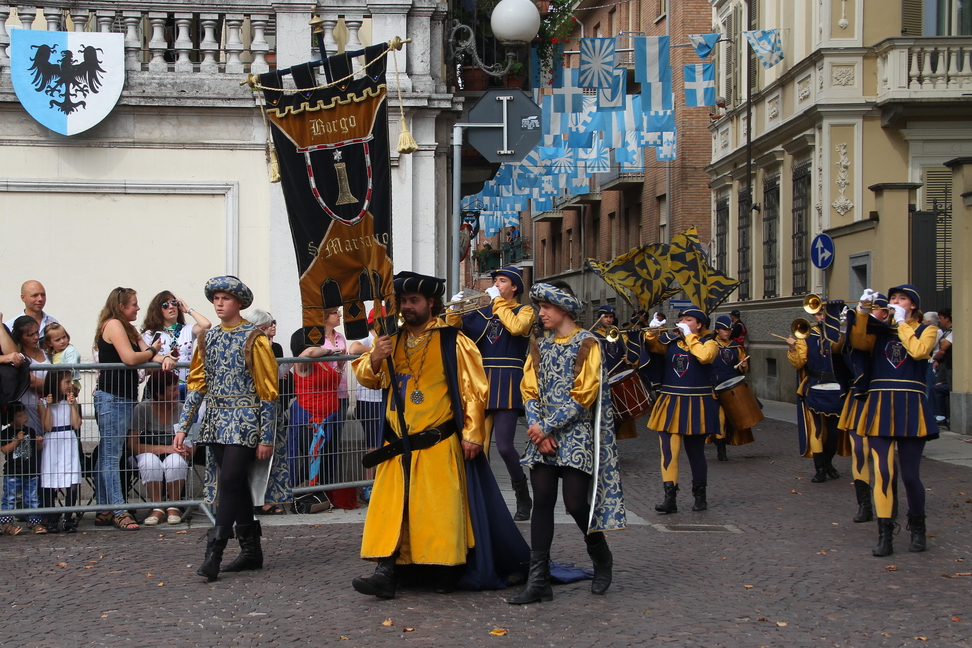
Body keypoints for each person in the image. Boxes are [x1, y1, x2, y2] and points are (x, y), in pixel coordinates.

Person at [349, 271, 491, 599]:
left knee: (437, 511)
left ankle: (444, 571)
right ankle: (386, 572)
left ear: (431, 302)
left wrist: (473, 433)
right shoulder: (391, 340)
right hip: (397, 444)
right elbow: (370, 380)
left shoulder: (453, 341)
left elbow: (474, 390)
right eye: (403, 301)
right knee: (394, 510)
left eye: (414, 300)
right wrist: (375, 357)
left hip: (437, 441)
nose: (407, 307)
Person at [507, 282, 626, 605]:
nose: (540, 313)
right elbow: (529, 388)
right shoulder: (539, 344)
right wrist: (535, 426)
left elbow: (584, 395)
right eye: (539, 307)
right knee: (542, 501)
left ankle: (601, 555)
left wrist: (545, 427)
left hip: (575, 434)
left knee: (575, 503)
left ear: (563, 309)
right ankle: (539, 580)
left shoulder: (588, 343)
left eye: (546, 307)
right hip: (541, 434)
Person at [173, 276, 289, 581]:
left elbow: (268, 390)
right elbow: (197, 384)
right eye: (216, 298)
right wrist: (183, 427)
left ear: (239, 303)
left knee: (229, 480)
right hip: (215, 419)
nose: (219, 303)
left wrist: (266, 436)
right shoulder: (207, 338)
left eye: (226, 298)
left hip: (246, 419)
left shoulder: (254, 339)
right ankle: (251, 552)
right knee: (234, 487)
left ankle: (215, 552)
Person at [848, 285, 938, 556]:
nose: (895, 302)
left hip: (911, 407)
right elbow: (858, 342)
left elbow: (919, 351)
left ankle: (918, 528)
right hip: (880, 405)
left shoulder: (926, 329)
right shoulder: (879, 331)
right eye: (893, 299)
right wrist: (863, 311)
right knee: (883, 473)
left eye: (902, 299)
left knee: (910, 476)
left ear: (912, 305)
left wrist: (900, 322)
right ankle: (885, 534)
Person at [446, 266, 535, 521]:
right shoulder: (483, 311)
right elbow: (456, 332)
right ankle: (478, 499)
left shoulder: (525, 310)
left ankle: (522, 495)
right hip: (481, 382)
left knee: (506, 447)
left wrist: (497, 300)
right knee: (477, 446)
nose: (496, 284)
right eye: (495, 280)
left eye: (502, 281)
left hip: (507, 382)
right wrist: (454, 310)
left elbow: (516, 328)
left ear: (514, 287)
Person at [93, 287, 175, 531]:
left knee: (111, 453)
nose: (138, 308)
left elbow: (148, 355)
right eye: (133, 305)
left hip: (126, 398)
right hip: (112, 397)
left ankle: (104, 508)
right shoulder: (113, 325)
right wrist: (153, 351)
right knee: (111, 455)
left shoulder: (128, 328)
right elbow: (131, 358)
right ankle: (119, 510)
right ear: (121, 307)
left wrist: (165, 357)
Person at [644, 308, 720, 514]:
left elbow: (704, 357)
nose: (683, 322)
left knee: (695, 452)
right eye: (681, 320)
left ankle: (700, 496)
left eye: (689, 320)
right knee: (668, 452)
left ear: (699, 325)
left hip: (697, 403)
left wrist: (689, 336)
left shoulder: (710, 343)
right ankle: (670, 497)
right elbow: (651, 347)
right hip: (670, 401)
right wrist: (653, 330)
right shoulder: (670, 343)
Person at [838, 294, 890, 524]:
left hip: (883, 399)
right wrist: (841, 327)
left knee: (884, 458)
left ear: (886, 313)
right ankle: (864, 505)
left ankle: (890, 503)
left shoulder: (890, 333)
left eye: (875, 309)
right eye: (868, 308)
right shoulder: (858, 330)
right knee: (859, 451)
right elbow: (840, 348)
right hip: (859, 397)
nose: (870, 313)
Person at [786, 303, 850, 483]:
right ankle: (820, 468)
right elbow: (799, 363)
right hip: (815, 386)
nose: (820, 317)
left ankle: (828, 463)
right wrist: (792, 348)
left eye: (824, 314)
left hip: (837, 388)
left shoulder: (841, 334)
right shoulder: (807, 334)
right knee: (817, 430)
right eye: (818, 314)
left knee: (835, 432)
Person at [128, 371, 190, 526]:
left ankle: (174, 506)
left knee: (176, 461)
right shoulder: (143, 409)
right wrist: (166, 448)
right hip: (148, 452)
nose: (178, 393)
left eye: (177, 388)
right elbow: (133, 445)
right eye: (173, 390)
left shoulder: (183, 410)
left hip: (174, 452)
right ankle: (157, 507)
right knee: (150, 461)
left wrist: (187, 449)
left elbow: (192, 446)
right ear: (159, 394)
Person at [288, 329, 340, 489]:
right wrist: (330, 350)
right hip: (310, 420)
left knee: (326, 459)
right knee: (312, 459)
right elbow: (309, 352)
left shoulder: (320, 362)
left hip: (329, 418)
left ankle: (320, 495)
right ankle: (303, 493)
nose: (319, 343)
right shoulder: (302, 363)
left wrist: (340, 367)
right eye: (314, 340)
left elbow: (333, 383)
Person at [140, 291, 212, 395]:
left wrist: (187, 309)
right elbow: (145, 357)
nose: (171, 307)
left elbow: (206, 325)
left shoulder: (187, 329)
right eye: (165, 305)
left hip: (185, 386)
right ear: (157, 310)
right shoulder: (151, 333)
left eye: (174, 303)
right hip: (162, 388)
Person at [37, 371, 82, 533]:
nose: (70, 385)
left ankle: (69, 517)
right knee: (51, 478)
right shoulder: (42, 402)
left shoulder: (71, 402)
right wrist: (48, 406)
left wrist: (72, 405)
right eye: (66, 382)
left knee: (71, 477)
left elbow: (77, 424)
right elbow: (47, 426)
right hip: (53, 440)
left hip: (68, 439)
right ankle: (53, 517)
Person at [348, 308, 385, 503]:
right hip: (369, 401)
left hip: (386, 399)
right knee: (372, 445)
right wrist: (377, 350)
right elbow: (353, 349)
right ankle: (368, 486)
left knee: (386, 444)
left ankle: (383, 483)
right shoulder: (365, 339)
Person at [710, 315, 755, 461]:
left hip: (733, 389)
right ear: (717, 330)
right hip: (715, 389)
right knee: (720, 419)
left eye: (729, 330)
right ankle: (721, 450)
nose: (727, 332)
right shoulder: (710, 345)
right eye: (724, 329)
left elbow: (744, 368)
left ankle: (728, 441)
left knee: (735, 418)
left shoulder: (736, 347)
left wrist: (743, 366)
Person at [0, 402, 44, 535]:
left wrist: (39, 443)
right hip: (13, 472)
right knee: (10, 497)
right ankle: (7, 523)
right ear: (12, 420)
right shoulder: (6, 433)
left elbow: (36, 449)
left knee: (32, 498)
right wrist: (17, 441)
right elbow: (4, 450)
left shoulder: (30, 431)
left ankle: (34, 522)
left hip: (30, 471)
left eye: (25, 413)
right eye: (20, 415)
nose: (25, 416)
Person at [11, 316, 49, 434]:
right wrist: (57, 385)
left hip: (47, 406)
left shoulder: (44, 351)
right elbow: (32, 382)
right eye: (30, 335)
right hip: (29, 409)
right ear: (20, 337)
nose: (36, 337)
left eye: (37, 332)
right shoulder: (20, 357)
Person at [41, 323, 81, 388]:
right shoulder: (53, 353)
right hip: (59, 386)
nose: (62, 341)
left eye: (64, 337)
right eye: (57, 340)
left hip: (70, 385)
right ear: (49, 343)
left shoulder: (70, 351)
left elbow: (71, 368)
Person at [931, 308, 952, 428]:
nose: (940, 321)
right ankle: (940, 415)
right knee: (938, 387)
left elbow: (944, 346)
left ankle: (943, 416)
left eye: (941, 318)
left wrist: (936, 357)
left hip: (948, 365)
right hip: (943, 364)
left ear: (947, 318)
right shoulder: (946, 332)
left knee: (942, 387)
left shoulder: (953, 331)